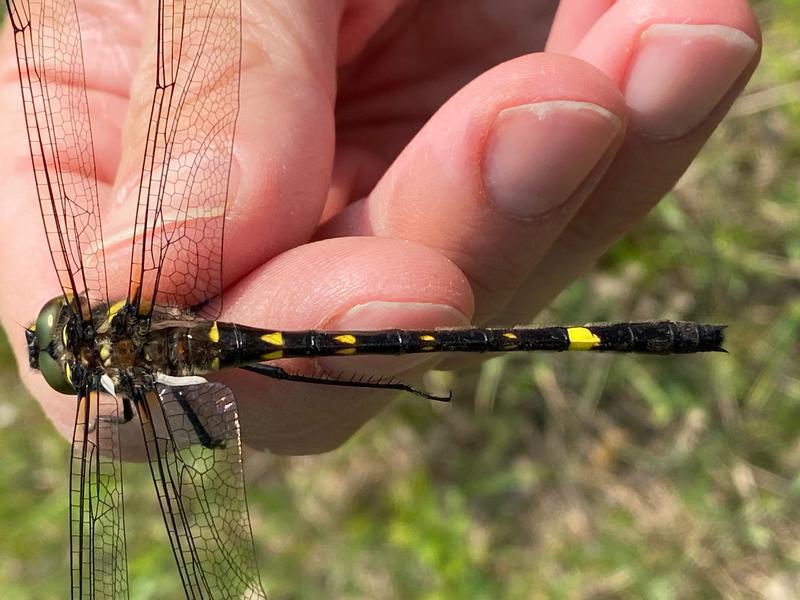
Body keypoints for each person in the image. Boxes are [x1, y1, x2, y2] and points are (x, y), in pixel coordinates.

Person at [0, 0, 761, 455]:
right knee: (341, 340)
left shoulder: (131, 338)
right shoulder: (130, 333)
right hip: (259, 335)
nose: (60, 345)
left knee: (346, 336)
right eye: (64, 351)